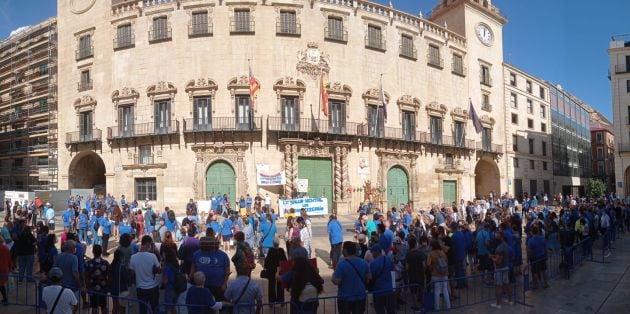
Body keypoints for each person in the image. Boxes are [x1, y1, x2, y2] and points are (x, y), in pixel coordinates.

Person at [279, 247, 323, 314]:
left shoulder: (293, 272)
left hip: (298, 306)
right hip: (313, 306)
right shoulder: (312, 270)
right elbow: (321, 281)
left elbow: (281, 278)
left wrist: (277, 272)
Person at [333, 241, 371, 314]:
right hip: (360, 296)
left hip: (345, 298)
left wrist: (333, 277)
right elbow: (369, 277)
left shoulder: (341, 264)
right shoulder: (363, 262)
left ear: (345, 250)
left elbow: (336, 281)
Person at [190, 236, 230, 301]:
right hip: (201, 287)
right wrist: (191, 281)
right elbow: (192, 270)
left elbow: (227, 271)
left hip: (218, 286)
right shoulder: (196, 254)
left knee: (219, 306)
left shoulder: (223, 255)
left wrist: (224, 284)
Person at [129, 235, 161, 314]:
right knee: (155, 308)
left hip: (140, 288)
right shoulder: (152, 256)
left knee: (143, 310)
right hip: (153, 287)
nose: (150, 246)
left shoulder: (133, 257)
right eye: (150, 244)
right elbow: (159, 270)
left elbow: (132, 273)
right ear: (147, 244)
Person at [368, 244, 395, 314]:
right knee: (391, 310)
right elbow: (392, 268)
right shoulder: (388, 259)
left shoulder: (373, 263)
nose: (371, 254)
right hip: (389, 289)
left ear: (375, 252)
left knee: (380, 310)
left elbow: (371, 276)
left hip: (378, 291)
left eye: (372, 252)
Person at [426, 239, 450, 310]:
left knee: (437, 291)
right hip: (444, 274)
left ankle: (437, 307)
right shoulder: (443, 253)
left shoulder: (431, 254)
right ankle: (448, 306)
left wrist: (431, 269)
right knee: (445, 289)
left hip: (435, 275)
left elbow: (428, 264)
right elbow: (446, 262)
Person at [85, 245, 110, 314]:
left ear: (93, 252)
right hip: (103, 288)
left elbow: (86, 276)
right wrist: (108, 286)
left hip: (92, 288)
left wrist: (86, 286)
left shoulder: (89, 263)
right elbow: (109, 276)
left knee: (94, 307)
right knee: (104, 306)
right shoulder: (105, 263)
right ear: (101, 252)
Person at [262, 237, 287, 304]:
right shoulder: (281, 250)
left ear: (273, 243)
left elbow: (267, 261)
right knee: (280, 285)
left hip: (271, 270)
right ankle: (281, 300)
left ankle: (271, 301)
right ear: (278, 243)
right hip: (280, 270)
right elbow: (285, 261)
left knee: (271, 286)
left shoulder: (271, 250)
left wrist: (265, 267)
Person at [405, 237, 426, 311]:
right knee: (421, 289)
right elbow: (424, 265)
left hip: (412, 275)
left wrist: (408, 273)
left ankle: (416, 306)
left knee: (413, 291)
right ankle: (423, 305)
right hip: (420, 275)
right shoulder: (421, 253)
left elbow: (407, 267)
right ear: (415, 244)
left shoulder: (408, 254)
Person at [110, 249, 130, 314]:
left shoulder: (111, 265)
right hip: (121, 290)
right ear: (121, 257)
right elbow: (127, 279)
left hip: (113, 289)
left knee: (115, 307)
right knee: (122, 308)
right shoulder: (122, 267)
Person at [0, 236, 12, 305]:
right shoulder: (5, 248)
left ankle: (5, 299)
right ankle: (5, 299)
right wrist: (10, 267)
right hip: (4, 269)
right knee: (1, 285)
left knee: (1, 286)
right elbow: (9, 259)